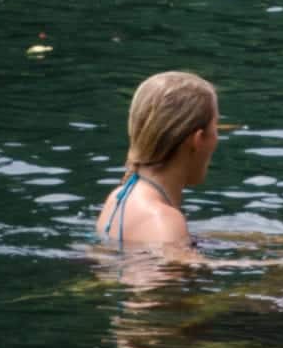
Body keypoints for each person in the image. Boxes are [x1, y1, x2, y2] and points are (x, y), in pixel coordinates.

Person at [94, 71, 221, 252]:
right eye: (216, 126)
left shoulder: (119, 197)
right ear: (198, 139)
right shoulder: (162, 220)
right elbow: (165, 276)